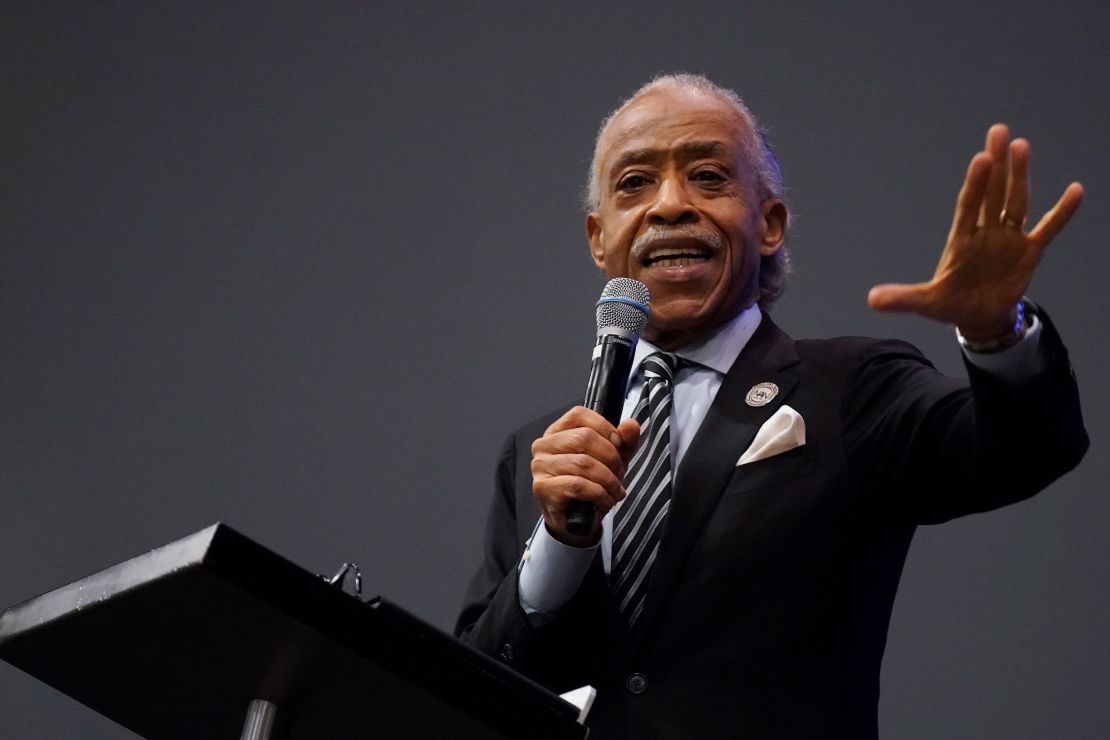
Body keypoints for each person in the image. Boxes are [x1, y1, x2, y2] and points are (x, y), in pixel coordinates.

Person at [455, 74, 1088, 739]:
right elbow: (473, 679)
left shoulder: (850, 388)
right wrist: (560, 540)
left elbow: (1022, 451)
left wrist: (999, 334)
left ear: (770, 224)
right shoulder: (541, 455)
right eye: (634, 184)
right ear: (598, 237)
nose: (669, 205)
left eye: (707, 176)